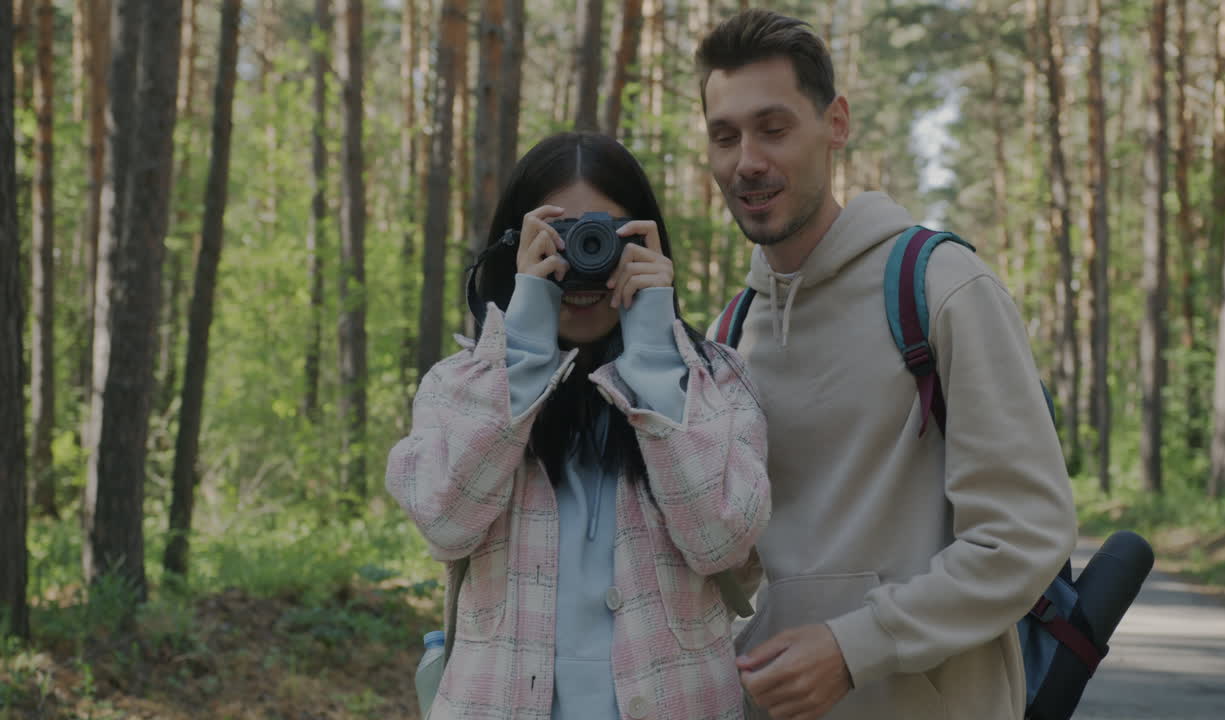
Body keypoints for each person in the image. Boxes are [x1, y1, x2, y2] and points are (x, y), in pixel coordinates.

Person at [695, 10, 1078, 720]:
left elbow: (1023, 535)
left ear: (835, 123)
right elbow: (726, 563)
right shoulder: (729, 333)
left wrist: (856, 646)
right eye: (726, 136)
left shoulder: (942, 288)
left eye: (773, 128)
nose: (746, 160)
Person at [386, 131, 771, 720]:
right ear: (514, 248)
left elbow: (718, 540)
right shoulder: (460, 385)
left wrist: (654, 353)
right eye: (556, 239)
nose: (582, 258)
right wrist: (524, 339)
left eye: (606, 238)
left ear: (648, 244)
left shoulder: (714, 384)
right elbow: (446, 523)